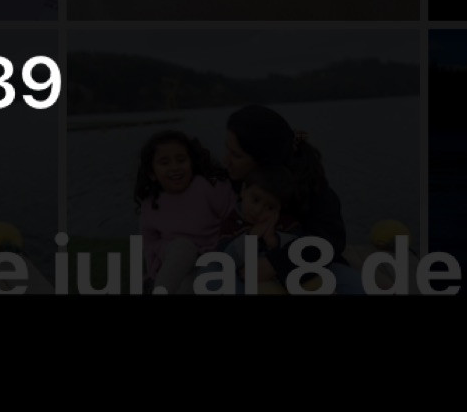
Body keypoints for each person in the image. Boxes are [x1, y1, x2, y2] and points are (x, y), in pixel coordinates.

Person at [220, 101, 346, 262]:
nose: (225, 161)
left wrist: (275, 264)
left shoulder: (312, 190)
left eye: (236, 155)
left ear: (265, 162)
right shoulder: (232, 179)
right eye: (227, 150)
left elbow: (330, 241)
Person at [134, 128, 239, 292]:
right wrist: (155, 269)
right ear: (152, 173)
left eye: (181, 160)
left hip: (211, 258)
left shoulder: (208, 186)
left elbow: (234, 218)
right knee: (183, 248)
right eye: (165, 163)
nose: (175, 167)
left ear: (191, 162)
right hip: (175, 259)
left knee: (189, 286)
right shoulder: (151, 203)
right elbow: (149, 243)